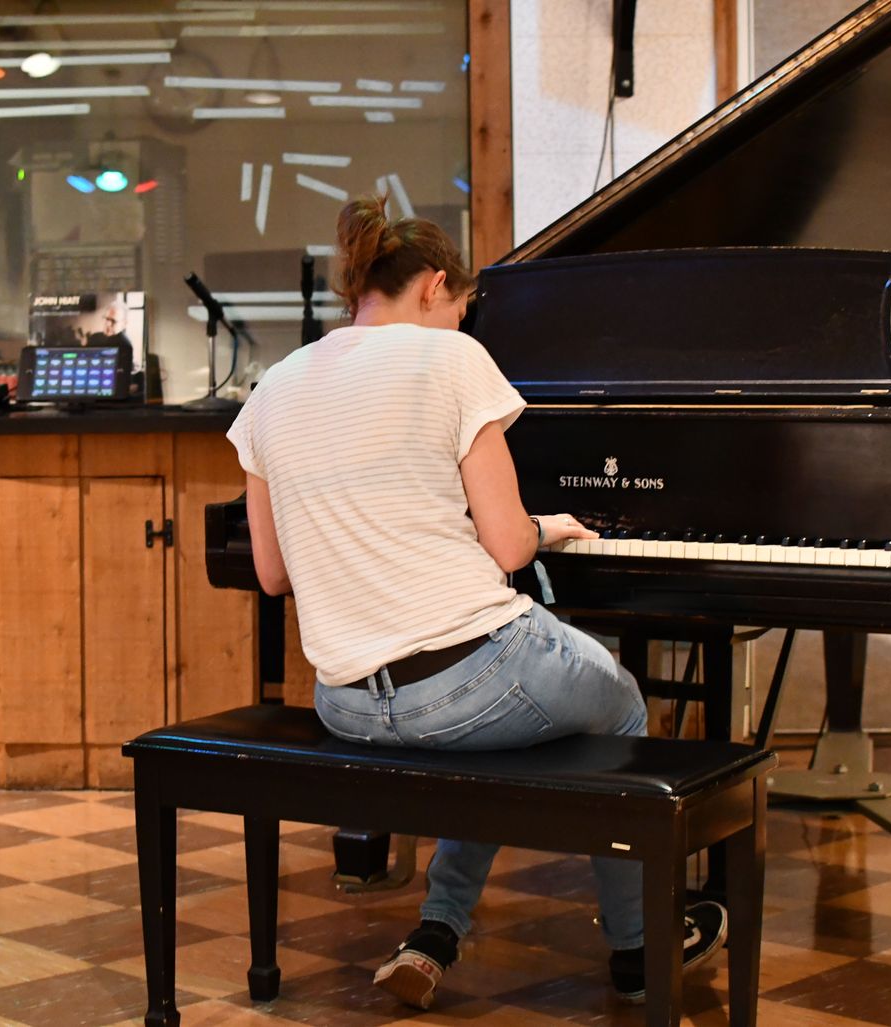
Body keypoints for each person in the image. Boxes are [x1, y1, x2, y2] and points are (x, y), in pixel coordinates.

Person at [225, 195, 728, 1010]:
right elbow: (508, 547)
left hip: (346, 702)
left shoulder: (274, 388)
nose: (462, 323)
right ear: (434, 285)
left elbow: (273, 574)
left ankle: (438, 930)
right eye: (461, 308)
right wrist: (547, 526)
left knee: (503, 728)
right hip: (473, 682)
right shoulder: (452, 360)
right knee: (619, 703)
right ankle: (641, 947)